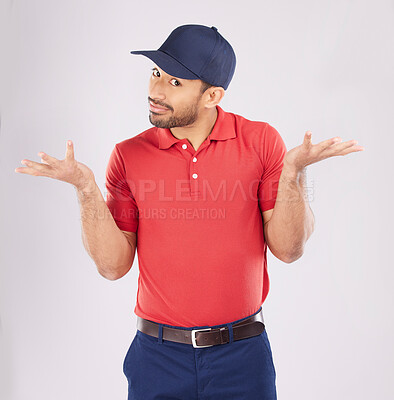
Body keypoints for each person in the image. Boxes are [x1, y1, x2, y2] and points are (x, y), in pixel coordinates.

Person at [15, 24, 364, 400]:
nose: (155, 90)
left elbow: (289, 249)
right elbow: (112, 267)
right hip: (157, 358)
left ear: (212, 95)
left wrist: (294, 172)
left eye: (175, 82)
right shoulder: (127, 155)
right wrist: (85, 189)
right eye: (155, 73)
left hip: (242, 356)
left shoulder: (261, 142)